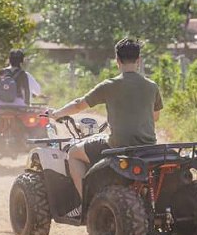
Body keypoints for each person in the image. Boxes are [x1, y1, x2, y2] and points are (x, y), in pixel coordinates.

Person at [49, 38, 163, 217]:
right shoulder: (152, 86)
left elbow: (79, 105)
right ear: (139, 59)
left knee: (73, 153)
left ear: (117, 60)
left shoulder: (109, 86)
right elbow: (155, 117)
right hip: (148, 147)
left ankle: (84, 205)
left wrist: (57, 114)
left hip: (117, 145)